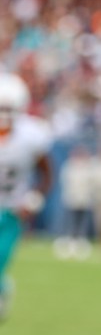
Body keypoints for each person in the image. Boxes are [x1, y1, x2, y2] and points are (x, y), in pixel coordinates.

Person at [0, 72, 52, 319]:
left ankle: (3, 290)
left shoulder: (31, 135)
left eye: (8, 109)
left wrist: (33, 199)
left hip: (11, 210)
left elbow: (46, 174)